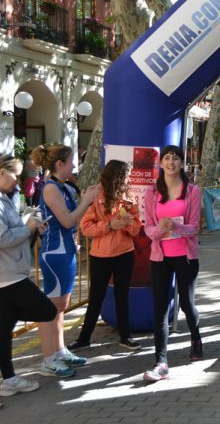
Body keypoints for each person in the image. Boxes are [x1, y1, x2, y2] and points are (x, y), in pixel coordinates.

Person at [31, 144, 100, 377]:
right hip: (55, 253)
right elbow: (68, 220)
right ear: (60, 164)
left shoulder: (65, 187)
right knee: (50, 308)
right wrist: (87, 200)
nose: (74, 166)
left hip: (68, 251)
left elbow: (75, 219)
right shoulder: (51, 189)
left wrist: (86, 197)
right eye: (71, 161)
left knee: (60, 307)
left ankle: (59, 350)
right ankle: (48, 358)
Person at [143, 145, 203, 382]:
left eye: (175, 159)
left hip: (186, 256)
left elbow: (195, 226)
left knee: (187, 304)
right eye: (167, 158)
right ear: (161, 163)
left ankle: (196, 339)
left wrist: (178, 227)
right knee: (160, 308)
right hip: (160, 257)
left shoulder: (192, 191)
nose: (171, 162)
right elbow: (148, 228)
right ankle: (161, 361)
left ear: (182, 163)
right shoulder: (151, 192)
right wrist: (160, 229)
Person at [69, 161, 142, 351]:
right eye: (126, 175)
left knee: (122, 296)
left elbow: (136, 228)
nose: (129, 179)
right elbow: (85, 228)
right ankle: (84, 338)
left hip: (125, 253)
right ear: (117, 177)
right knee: (96, 297)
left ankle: (125, 337)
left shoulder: (128, 196)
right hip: (101, 255)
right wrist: (110, 225)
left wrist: (127, 225)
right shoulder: (95, 195)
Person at [0, 154, 56, 396]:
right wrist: (28, 227)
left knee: (3, 331)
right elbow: (3, 238)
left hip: (11, 272)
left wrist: (32, 227)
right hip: (9, 274)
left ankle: (9, 379)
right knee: (47, 310)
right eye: (16, 174)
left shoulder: (6, 197)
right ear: (2, 172)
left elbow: (14, 232)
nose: (19, 180)